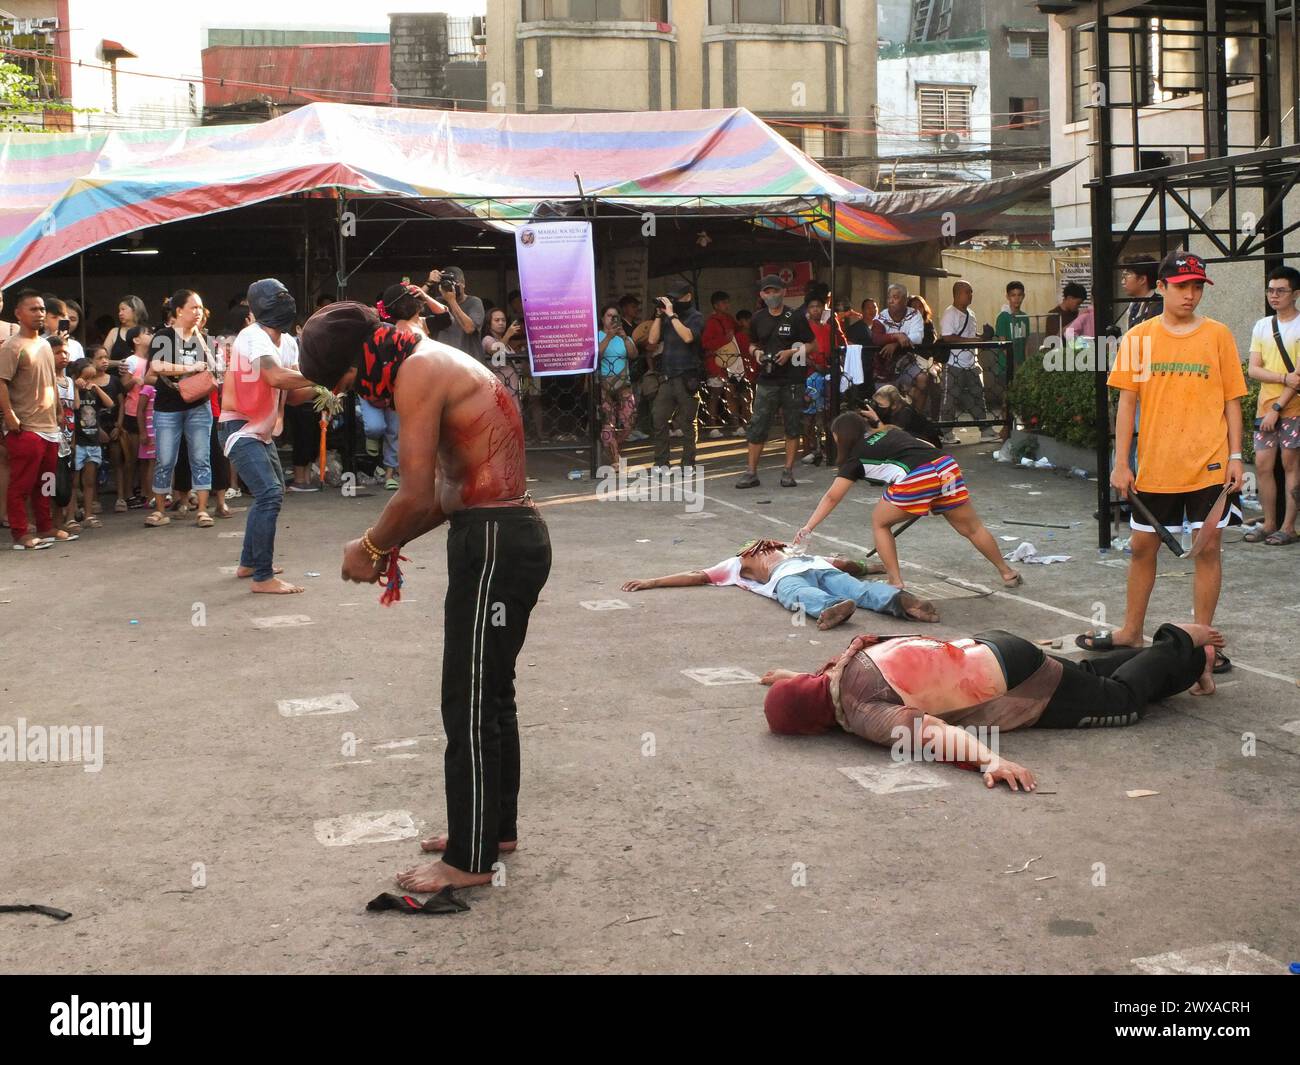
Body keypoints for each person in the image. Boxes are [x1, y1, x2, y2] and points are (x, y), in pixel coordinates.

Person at [298, 300, 552, 896]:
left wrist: (368, 545)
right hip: (503, 535)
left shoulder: (416, 370)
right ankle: (494, 829)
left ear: (358, 363)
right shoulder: (430, 361)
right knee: (490, 690)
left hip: (494, 541)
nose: (358, 399)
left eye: (346, 386)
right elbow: (443, 492)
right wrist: (385, 547)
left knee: (466, 697)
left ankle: (470, 857)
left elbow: (414, 495)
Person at [757, 621, 1225, 791]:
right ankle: (1194, 662)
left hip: (1019, 682)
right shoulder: (845, 664)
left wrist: (992, 761)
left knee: (1121, 704)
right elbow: (807, 681)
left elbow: (931, 735)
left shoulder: (863, 713)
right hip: (991, 647)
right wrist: (783, 677)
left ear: (816, 727)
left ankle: (1179, 638)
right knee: (1091, 678)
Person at [1079, 252, 1246, 673]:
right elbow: (1126, 402)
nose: (1190, 295)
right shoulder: (1138, 338)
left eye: (1196, 287)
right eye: (1182, 286)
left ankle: (1202, 642)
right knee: (1141, 548)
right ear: (1162, 288)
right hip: (1155, 465)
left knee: (1207, 551)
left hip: (1209, 464)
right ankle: (1131, 631)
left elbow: (1231, 401)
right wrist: (1121, 462)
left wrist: (1237, 456)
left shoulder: (1218, 335)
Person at [794, 409, 1021, 591]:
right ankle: (1006, 571)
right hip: (946, 465)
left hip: (919, 476)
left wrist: (808, 527)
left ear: (841, 436)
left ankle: (895, 580)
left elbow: (833, 496)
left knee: (880, 522)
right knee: (972, 528)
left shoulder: (855, 459)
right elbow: (930, 448)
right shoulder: (890, 432)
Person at [219, 280, 317, 594]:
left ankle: (249, 562)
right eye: (279, 297)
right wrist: (322, 374)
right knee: (270, 494)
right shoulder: (252, 336)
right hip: (239, 427)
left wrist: (330, 388)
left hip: (261, 431)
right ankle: (262, 577)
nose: (286, 301)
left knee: (270, 495)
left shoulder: (287, 342)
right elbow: (275, 376)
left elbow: (294, 392)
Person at [622, 537, 938, 630]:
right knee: (852, 589)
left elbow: (696, 576)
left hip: (794, 573)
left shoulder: (753, 558)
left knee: (808, 593)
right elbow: (844, 565)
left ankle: (836, 607)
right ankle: (891, 601)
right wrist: (652, 582)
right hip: (802, 570)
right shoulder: (754, 557)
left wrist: (871, 566)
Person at [0, 291, 72, 549]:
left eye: (42, 309)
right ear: (18, 313)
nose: (40, 313)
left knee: (47, 482)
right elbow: (2, 383)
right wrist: (10, 416)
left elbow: (51, 379)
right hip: (26, 428)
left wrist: (59, 412)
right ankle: (20, 533)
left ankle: (46, 526)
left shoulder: (44, 344)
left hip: (50, 428)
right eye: (33, 309)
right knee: (21, 484)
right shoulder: (12, 347)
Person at [736, 275, 817, 489]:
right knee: (758, 426)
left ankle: (788, 471)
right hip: (766, 380)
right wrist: (757, 353)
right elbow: (751, 343)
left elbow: (812, 345)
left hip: (793, 380)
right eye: (767, 292)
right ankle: (751, 472)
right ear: (761, 295)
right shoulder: (757, 318)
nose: (772, 295)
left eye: (775, 291)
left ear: (783, 291)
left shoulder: (796, 316)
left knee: (792, 426)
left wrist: (791, 352)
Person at [145, 290, 216, 528]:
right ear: (178, 311)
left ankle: (203, 510)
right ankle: (159, 510)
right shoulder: (163, 336)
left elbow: (215, 369)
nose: (198, 312)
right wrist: (189, 365)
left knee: (201, 457)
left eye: (200, 308)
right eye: (193, 308)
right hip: (167, 407)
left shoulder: (204, 339)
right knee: (165, 459)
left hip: (199, 405)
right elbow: (156, 366)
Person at [1243, 265, 1300, 545]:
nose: (1274, 295)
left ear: (1296, 294)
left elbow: (1298, 379)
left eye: (1281, 290)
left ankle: (1289, 527)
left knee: (1291, 465)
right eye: (1270, 290)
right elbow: (1253, 369)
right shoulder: (1262, 325)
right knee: (1263, 466)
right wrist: (1281, 378)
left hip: (1292, 409)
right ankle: (1269, 522)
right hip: (1265, 407)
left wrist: (1277, 408)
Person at [649, 284, 705, 473]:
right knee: (659, 418)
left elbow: (688, 337)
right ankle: (661, 462)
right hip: (668, 375)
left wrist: (672, 315)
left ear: (688, 297)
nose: (673, 302)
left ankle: (688, 463)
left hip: (687, 376)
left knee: (687, 422)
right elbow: (652, 340)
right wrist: (659, 315)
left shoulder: (695, 317)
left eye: (677, 298)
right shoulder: (666, 318)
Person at [939, 281, 995, 443]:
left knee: (977, 396)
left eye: (971, 292)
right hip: (953, 363)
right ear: (957, 294)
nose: (970, 295)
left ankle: (986, 430)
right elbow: (948, 337)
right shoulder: (950, 313)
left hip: (970, 363)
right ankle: (945, 432)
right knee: (949, 398)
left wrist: (983, 336)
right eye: (967, 292)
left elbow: (971, 334)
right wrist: (974, 339)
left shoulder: (971, 313)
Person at [70, 357, 113, 530]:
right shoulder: (74, 390)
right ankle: (71, 515)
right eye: (86, 378)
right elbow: (75, 406)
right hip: (78, 441)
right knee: (73, 482)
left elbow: (110, 403)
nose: (88, 381)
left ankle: (88, 514)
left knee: (90, 481)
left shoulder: (94, 389)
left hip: (93, 440)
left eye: (91, 378)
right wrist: (75, 386)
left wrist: (96, 387)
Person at [596, 303, 637, 466]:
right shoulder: (597, 335)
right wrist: (608, 336)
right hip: (604, 385)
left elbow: (633, 354)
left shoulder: (623, 336)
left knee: (629, 422)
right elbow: (596, 355)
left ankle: (613, 445)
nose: (612, 319)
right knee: (608, 423)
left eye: (615, 316)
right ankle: (614, 457)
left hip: (624, 385)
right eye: (609, 316)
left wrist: (624, 337)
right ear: (602, 318)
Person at [701, 291, 742, 438]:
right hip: (716, 363)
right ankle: (712, 427)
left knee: (731, 394)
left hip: (730, 362)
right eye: (724, 303)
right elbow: (706, 344)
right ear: (716, 305)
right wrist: (724, 340)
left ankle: (736, 426)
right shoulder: (711, 322)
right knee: (715, 395)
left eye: (727, 302)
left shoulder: (729, 319)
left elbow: (739, 331)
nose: (727, 305)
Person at [870, 284, 924, 389]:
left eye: (895, 297)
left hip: (907, 363)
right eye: (889, 297)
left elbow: (918, 337)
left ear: (905, 300)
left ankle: (912, 406)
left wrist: (896, 344)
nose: (890, 301)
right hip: (884, 367)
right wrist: (897, 336)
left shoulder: (914, 314)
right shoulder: (881, 317)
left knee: (922, 379)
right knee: (887, 401)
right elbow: (876, 338)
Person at [991, 281, 1030, 421]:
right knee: (1007, 398)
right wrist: (1013, 364)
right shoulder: (1003, 318)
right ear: (1008, 296)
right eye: (1013, 295)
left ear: (1023, 296)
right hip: (1006, 366)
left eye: (1019, 295)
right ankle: (1006, 428)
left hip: (1021, 365)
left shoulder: (1025, 317)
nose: (1016, 298)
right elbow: (1003, 344)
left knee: (1021, 398)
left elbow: (1026, 343)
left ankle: (1020, 427)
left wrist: (1025, 365)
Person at [429, 267, 485, 359]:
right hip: (443, 360)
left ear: (463, 283)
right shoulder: (438, 302)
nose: (451, 287)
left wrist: (451, 301)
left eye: (454, 283)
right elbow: (411, 308)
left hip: (468, 360)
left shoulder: (474, 302)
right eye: (446, 284)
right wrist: (428, 283)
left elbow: (469, 328)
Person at [867, 384, 940, 447]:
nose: (878, 407)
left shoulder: (905, 412)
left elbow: (892, 434)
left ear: (894, 405)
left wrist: (876, 420)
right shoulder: (890, 410)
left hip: (926, 442)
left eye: (881, 405)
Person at [1116, 257, 1162, 333]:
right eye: (1122, 277)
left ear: (1142, 279)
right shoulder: (1133, 305)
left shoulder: (1159, 306)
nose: (1122, 282)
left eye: (1126, 276)